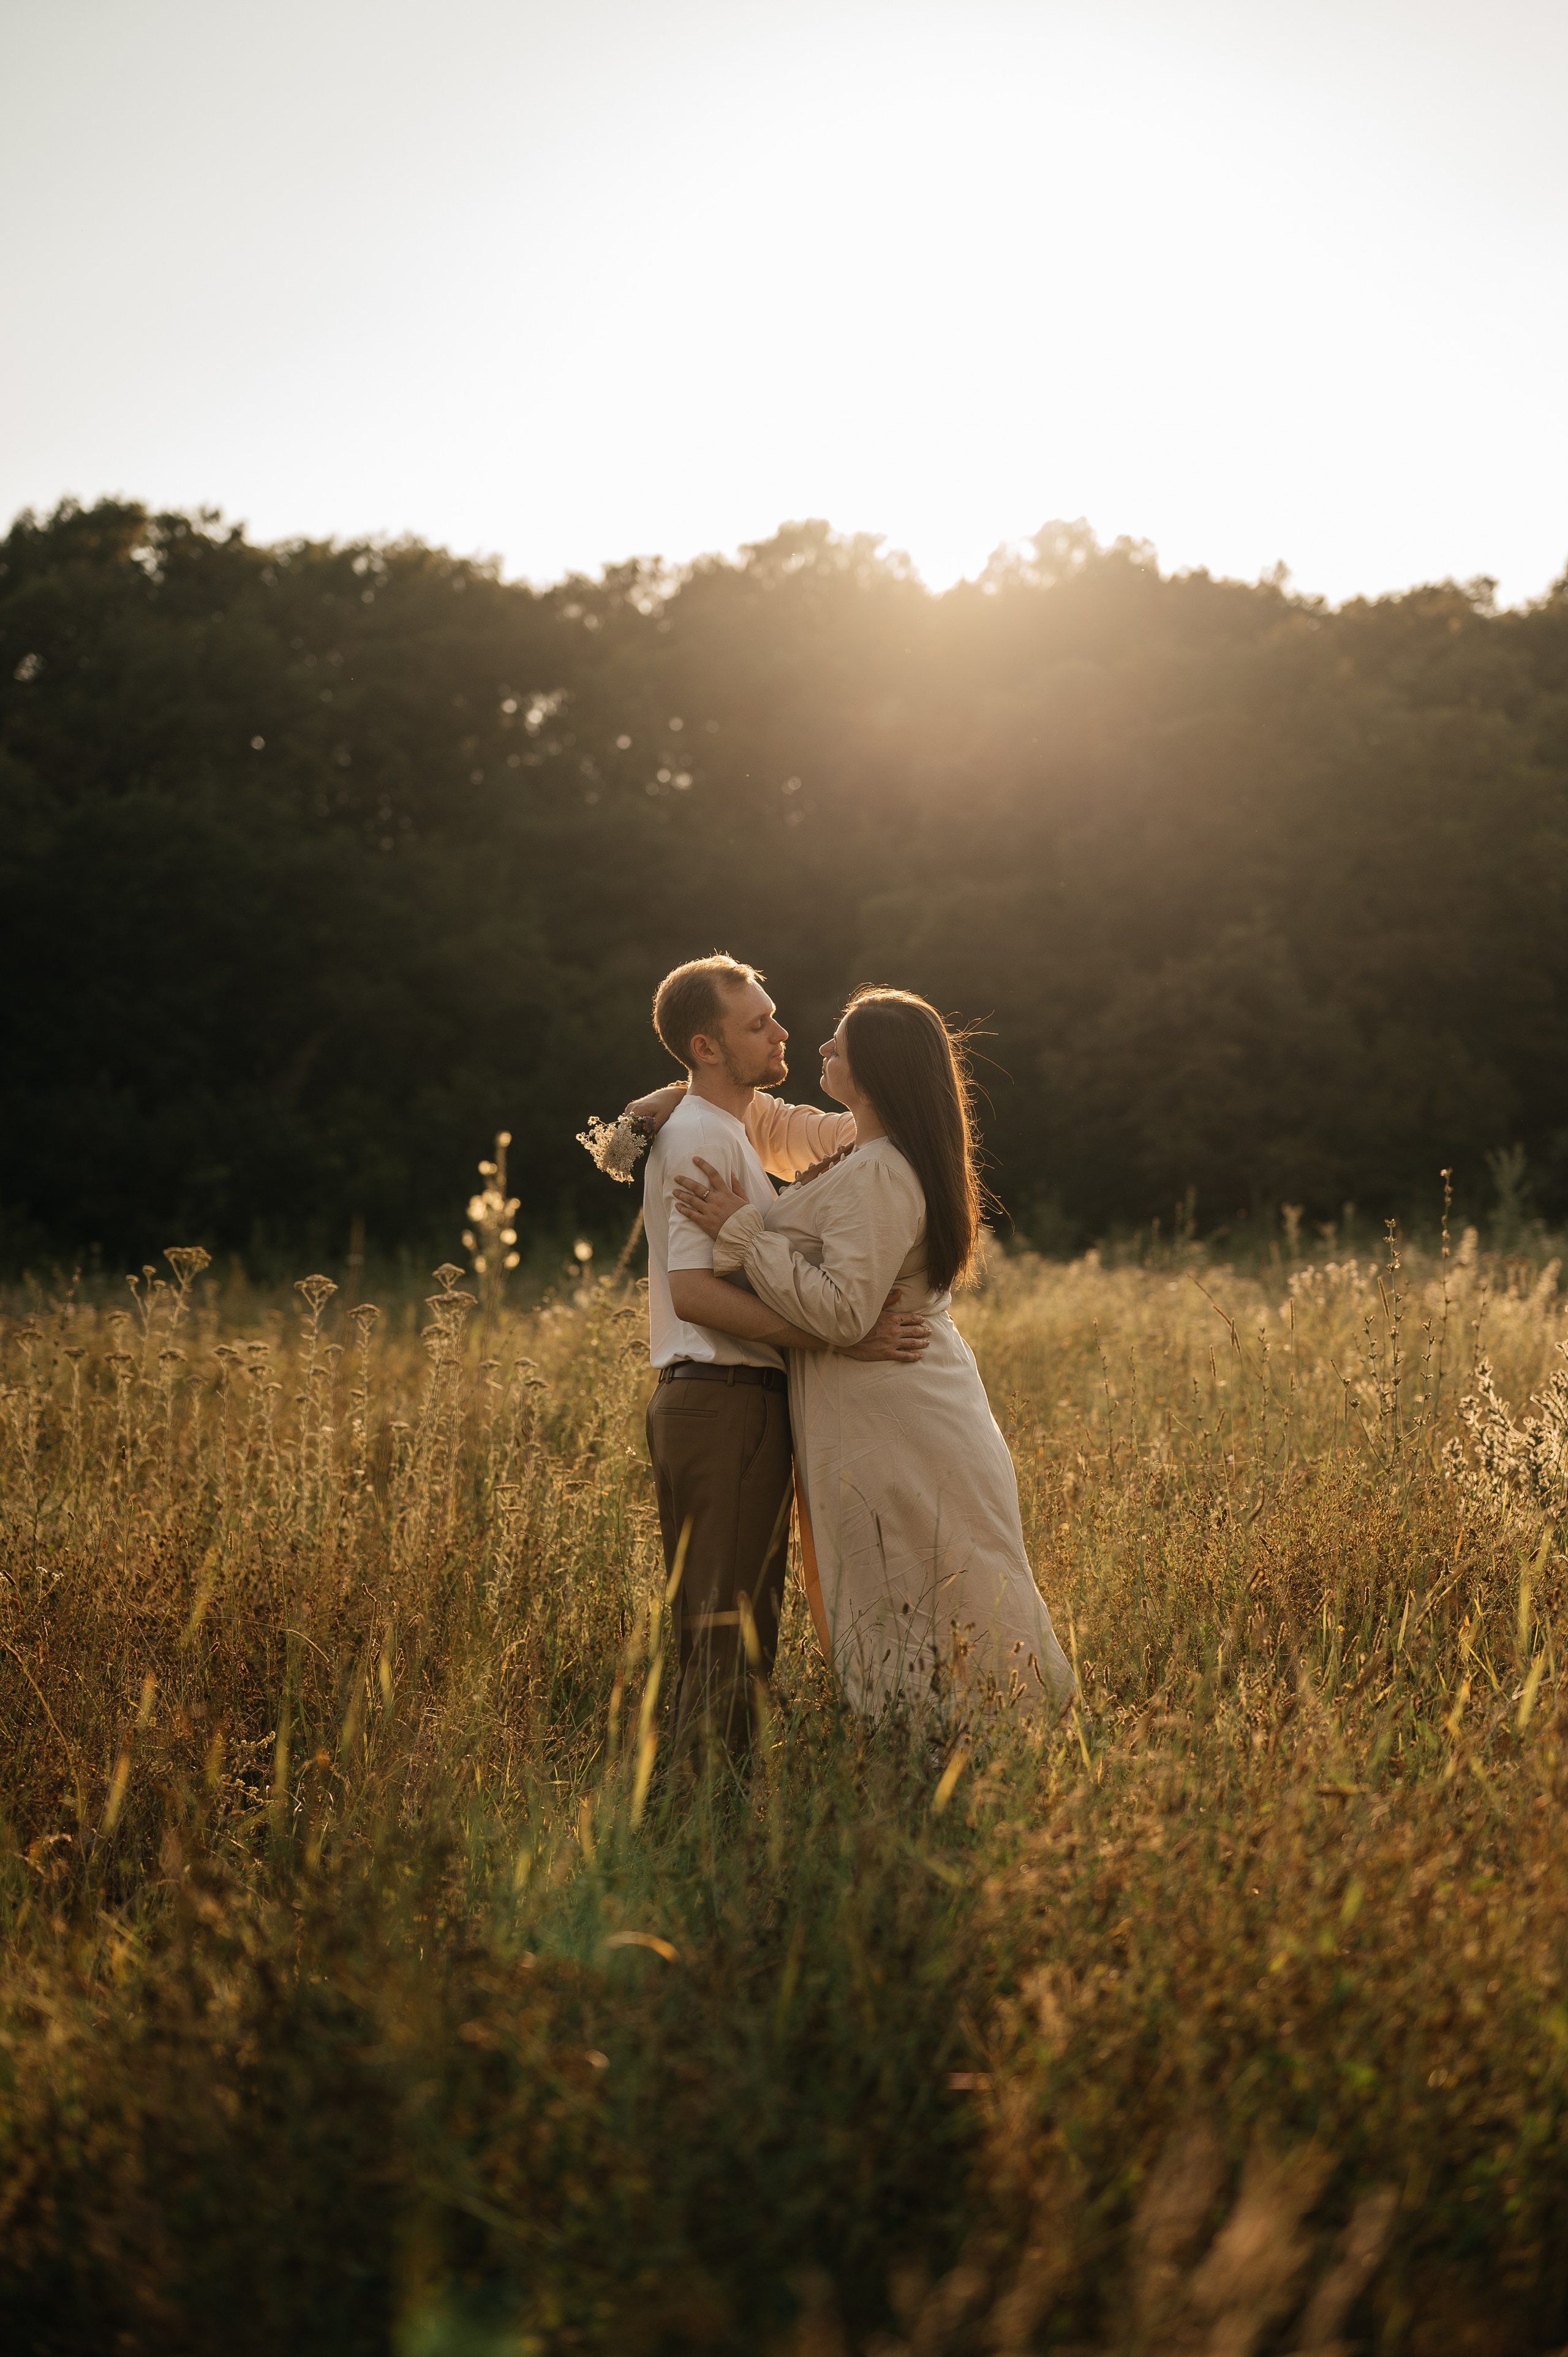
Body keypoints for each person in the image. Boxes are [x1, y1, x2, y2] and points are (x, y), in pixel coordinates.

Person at [671, 986, 1076, 1729]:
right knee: (902, 1577)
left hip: (893, 1411)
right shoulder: (859, 1152)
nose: (819, 1048)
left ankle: (973, 1741)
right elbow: (754, 1113)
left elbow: (845, 1310)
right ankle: (931, 1741)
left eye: (839, 1041)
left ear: (879, 1067)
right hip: (872, 1404)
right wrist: (655, 1105)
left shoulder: (881, 1171)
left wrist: (744, 1231)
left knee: (927, 1575)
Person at [630, 955, 930, 1767]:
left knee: (740, 1625)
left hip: (740, 1400)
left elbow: (871, 1131)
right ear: (708, 1046)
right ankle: (697, 1827)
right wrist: (841, 1335)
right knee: (720, 1633)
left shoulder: (728, 1127)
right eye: (757, 1023)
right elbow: (693, 1292)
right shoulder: (700, 1136)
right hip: (719, 1397)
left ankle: (714, 1819)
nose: (782, 1031)